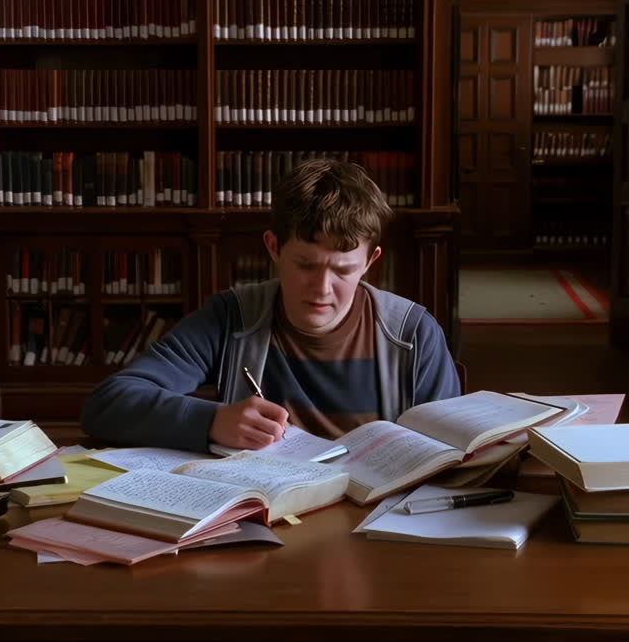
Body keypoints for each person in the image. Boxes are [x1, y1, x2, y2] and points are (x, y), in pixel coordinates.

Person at [81, 158, 460, 452]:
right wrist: (212, 421)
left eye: (343, 270)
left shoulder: (414, 333)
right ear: (273, 247)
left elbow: (453, 448)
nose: (322, 289)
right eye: (305, 265)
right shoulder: (229, 317)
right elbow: (108, 404)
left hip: (376, 519)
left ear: (370, 262)